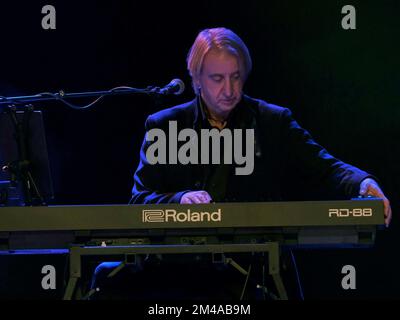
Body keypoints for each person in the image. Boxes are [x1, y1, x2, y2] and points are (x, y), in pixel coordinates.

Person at [91, 27, 392, 300]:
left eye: (236, 77)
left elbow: (324, 166)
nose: (230, 89)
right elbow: (139, 201)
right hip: (176, 266)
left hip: (251, 266)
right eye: (217, 79)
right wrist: (179, 199)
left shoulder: (272, 121)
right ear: (196, 80)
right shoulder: (165, 125)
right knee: (106, 278)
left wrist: (363, 182)